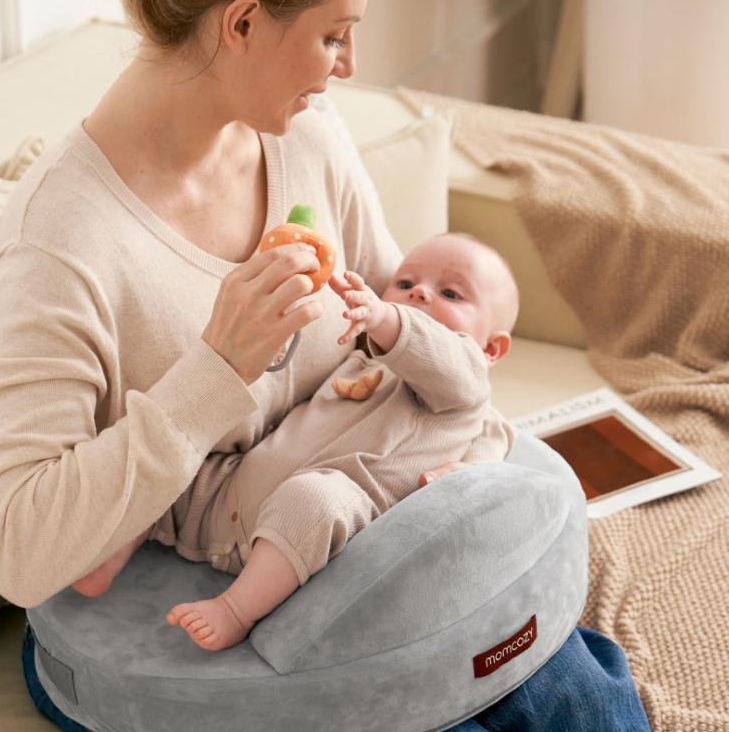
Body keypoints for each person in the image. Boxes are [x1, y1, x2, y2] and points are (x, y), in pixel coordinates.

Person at [0, 0, 657, 732]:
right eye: (332, 35)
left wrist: (461, 443)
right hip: (162, 620)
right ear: (241, 23)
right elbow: (11, 543)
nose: (346, 65)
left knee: (592, 706)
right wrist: (213, 370)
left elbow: (403, 320)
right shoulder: (64, 235)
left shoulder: (305, 140)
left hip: (336, 546)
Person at [75, 232, 521, 654]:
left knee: (314, 498)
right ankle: (113, 551)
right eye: (405, 283)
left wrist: (388, 317)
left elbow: (469, 397)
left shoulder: (465, 389)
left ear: (492, 351)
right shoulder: (361, 358)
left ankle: (236, 609)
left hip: (317, 522)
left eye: (451, 294)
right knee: (178, 458)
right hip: (232, 492)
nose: (420, 294)